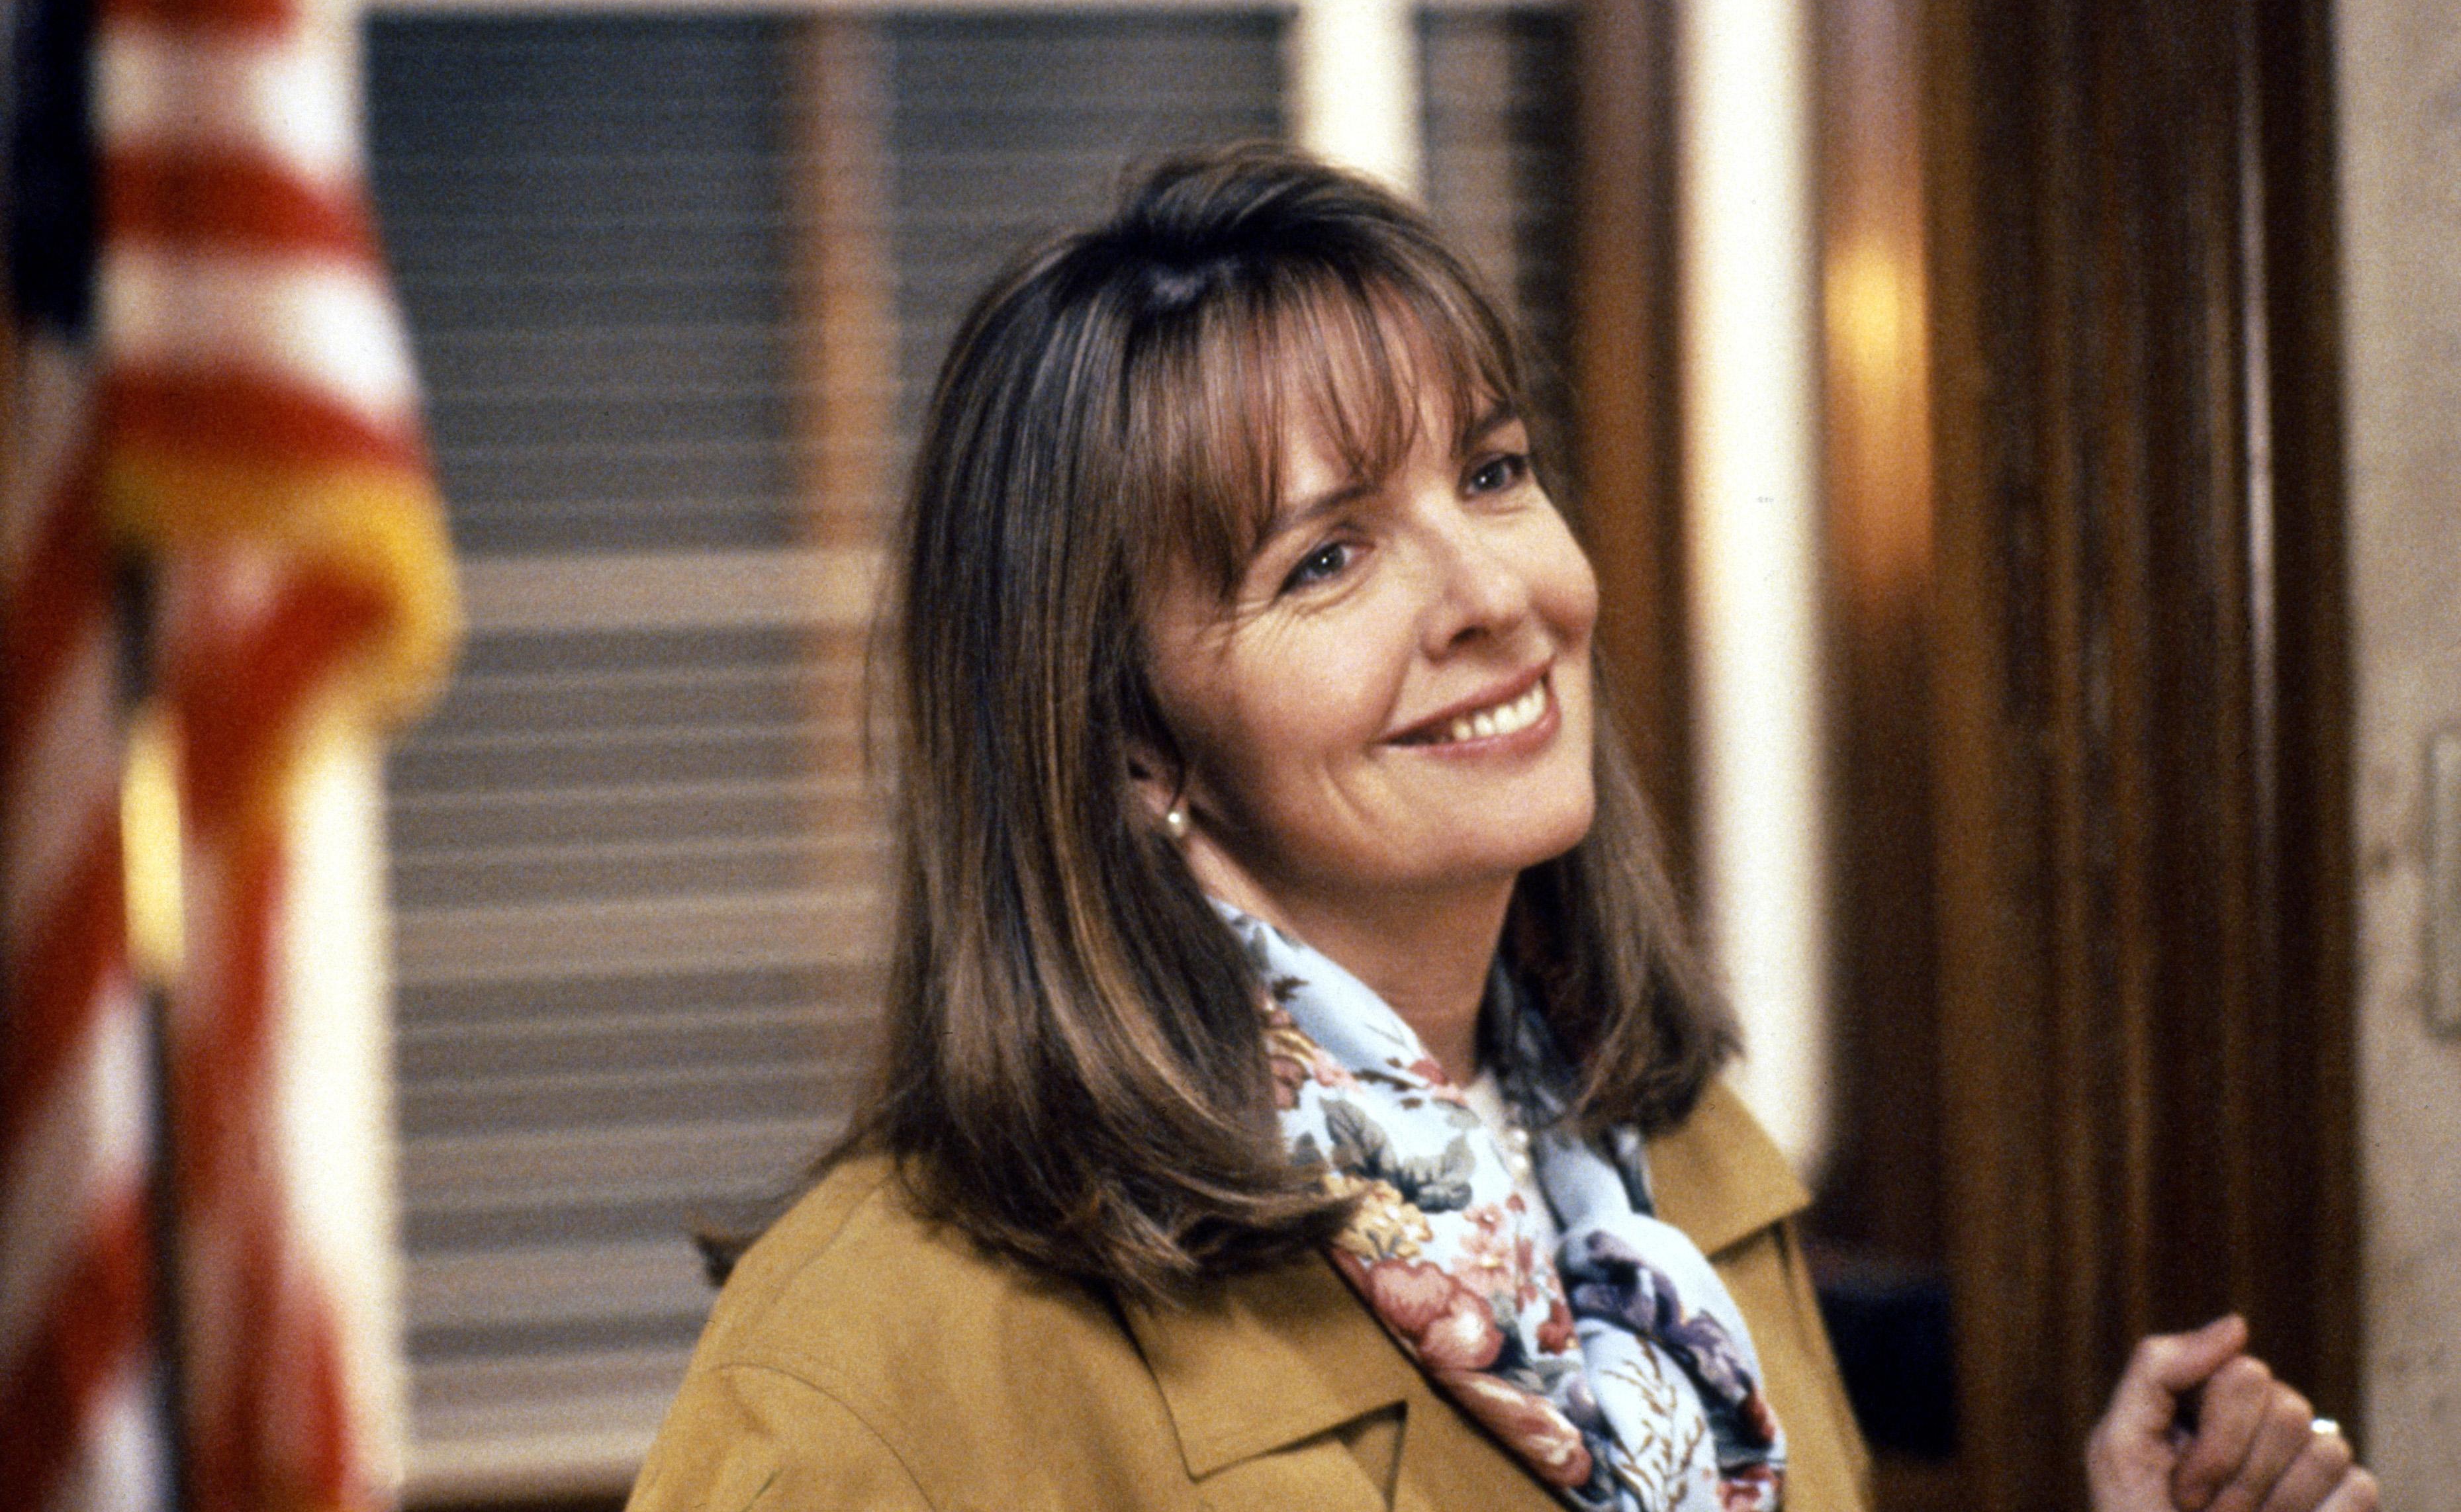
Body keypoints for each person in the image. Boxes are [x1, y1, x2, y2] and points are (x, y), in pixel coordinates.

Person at [627, 144, 2373, 1512]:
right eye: (1325, 558)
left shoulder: (1670, 1163)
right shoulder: (876, 1359)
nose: (1492, 594)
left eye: (1491, 472)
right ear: (1132, 744)